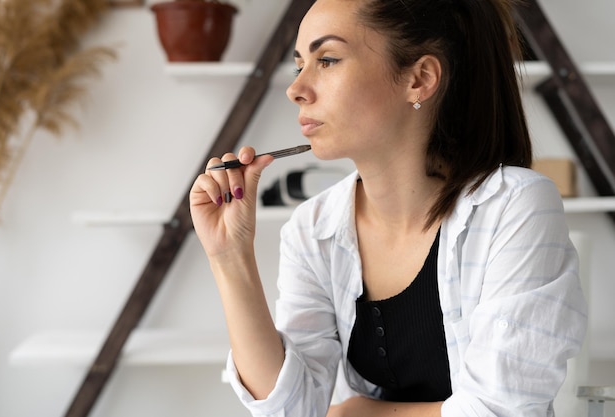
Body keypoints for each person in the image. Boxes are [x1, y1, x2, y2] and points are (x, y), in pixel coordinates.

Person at [189, 0, 588, 415]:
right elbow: (292, 408)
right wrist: (229, 256)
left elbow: (501, 410)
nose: (296, 89)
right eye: (298, 64)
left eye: (327, 60)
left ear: (419, 78)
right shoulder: (313, 228)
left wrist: (356, 412)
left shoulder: (515, 206)